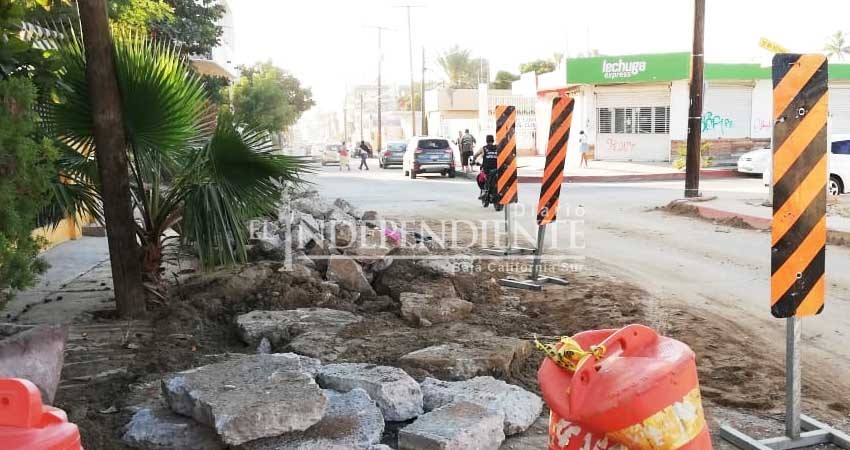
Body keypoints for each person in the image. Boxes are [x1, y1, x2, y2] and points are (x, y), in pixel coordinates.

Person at [472, 135, 499, 199]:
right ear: (493, 140)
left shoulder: (484, 148)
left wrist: (473, 161)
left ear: (486, 141)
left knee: (479, 178)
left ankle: (484, 190)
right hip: (497, 169)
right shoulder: (497, 148)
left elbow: (475, 155)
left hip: (487, 170)